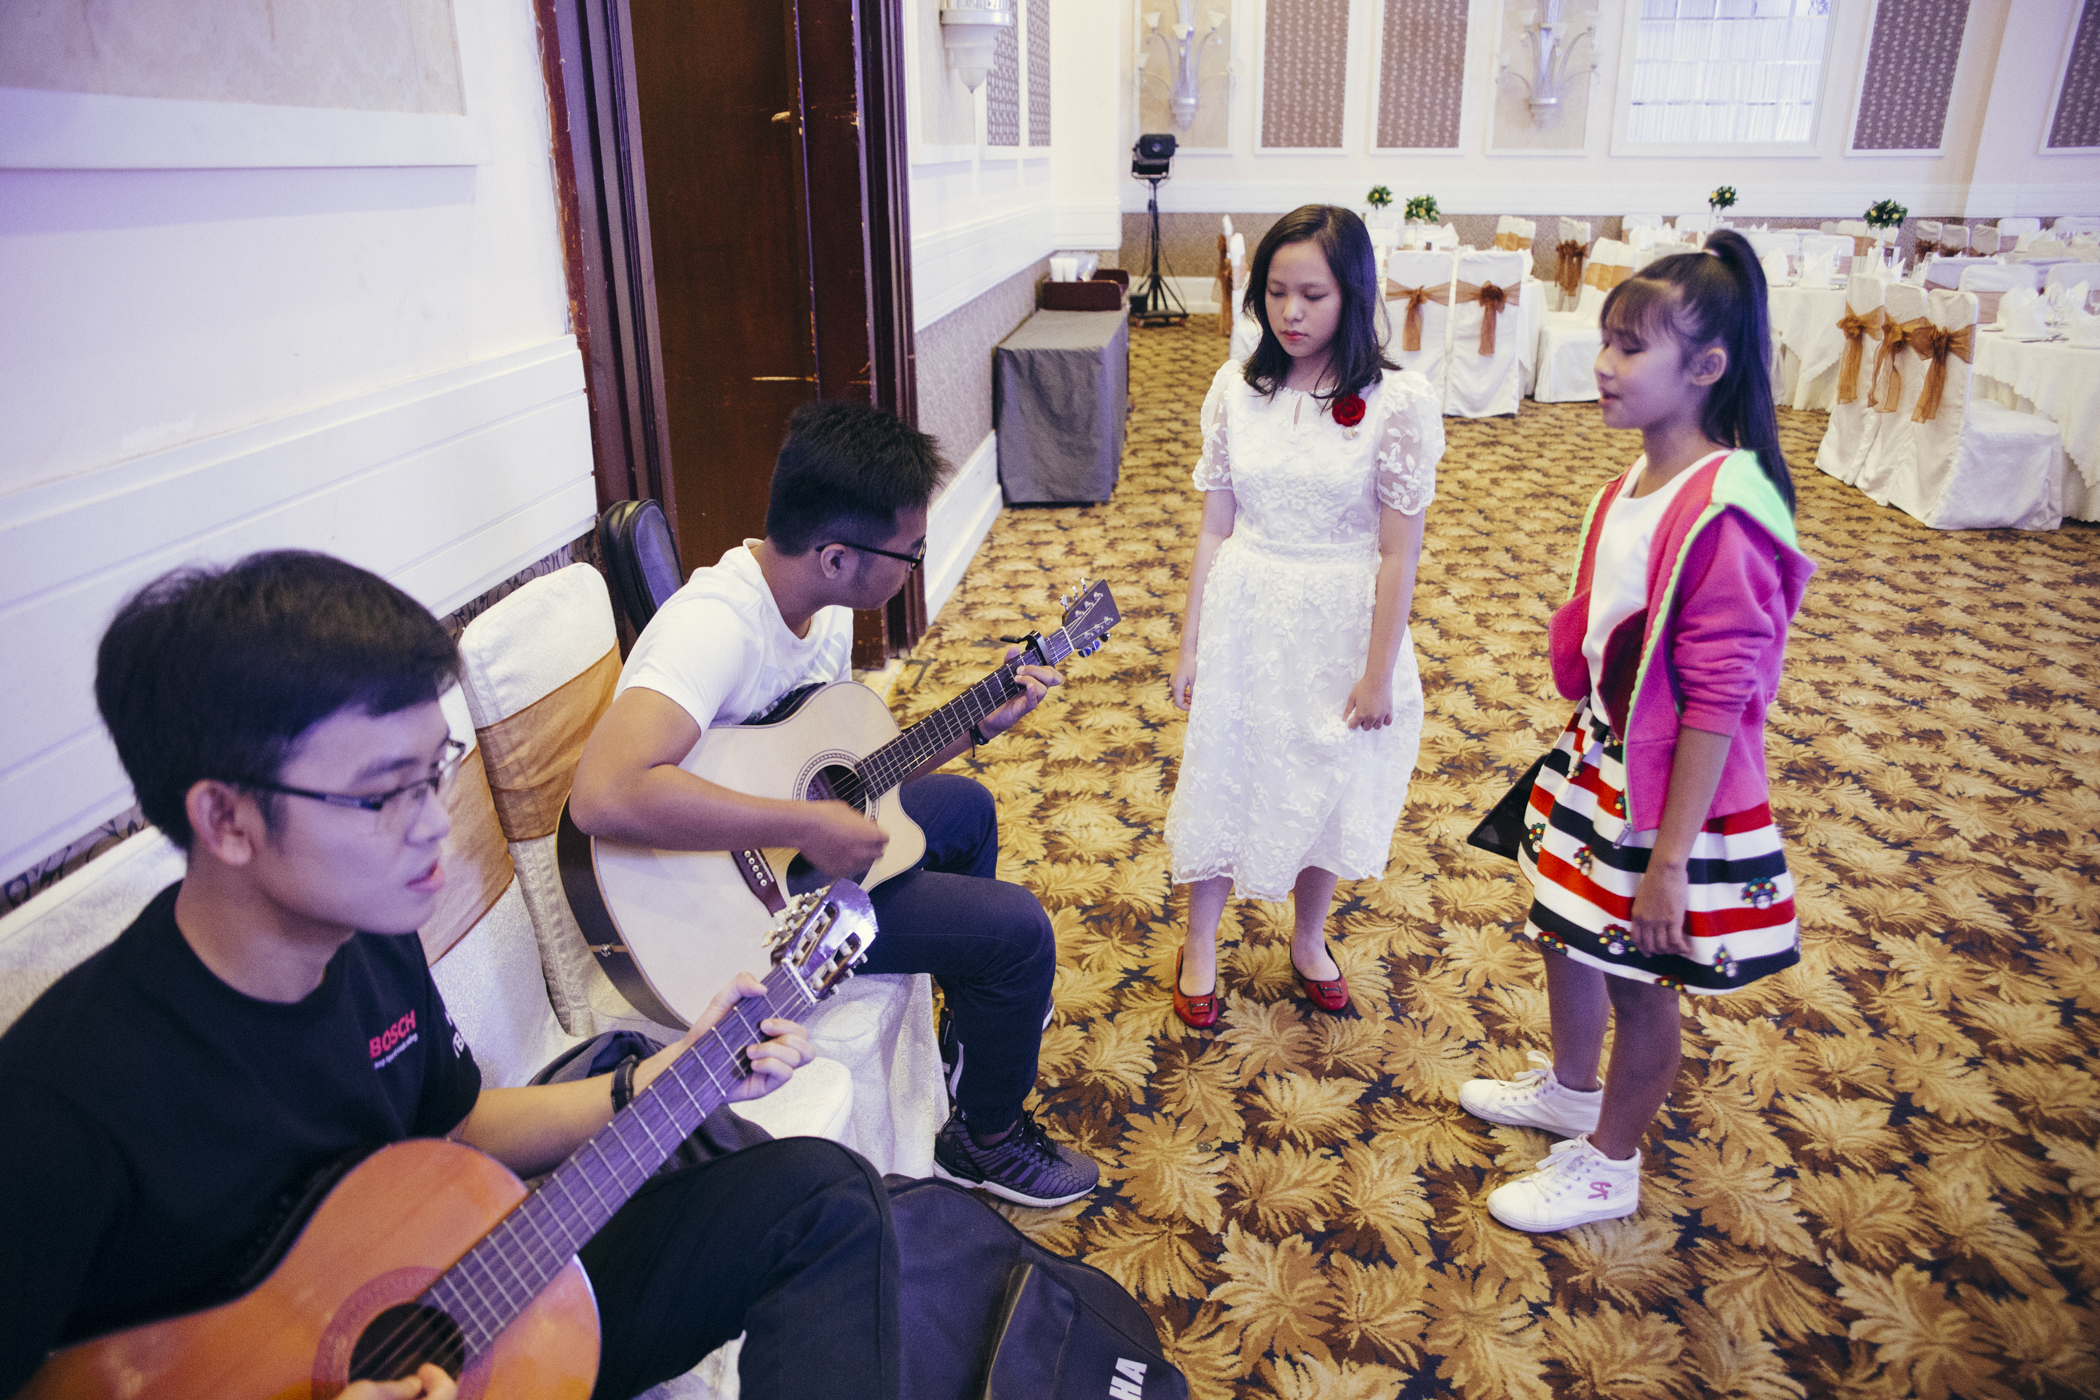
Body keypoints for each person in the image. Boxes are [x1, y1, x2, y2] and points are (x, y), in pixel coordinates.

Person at [0, 552, 898, 1400]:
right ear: (227, 821)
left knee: (826, 1199)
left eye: (433, 772)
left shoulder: (371, 937)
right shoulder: (60, 1105)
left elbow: (456, 1126)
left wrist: (663, 1077)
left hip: (452, 1300)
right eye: (383, 793)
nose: (434, 825)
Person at [568, 400, 1099, 1208]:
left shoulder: (821, 607)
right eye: (910, 553)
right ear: (838, 556)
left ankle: (973, 1032)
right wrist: (803, 824)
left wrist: (973, 727)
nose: (915, 565)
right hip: (736, 913)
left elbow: (838, 770)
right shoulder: (713, 627)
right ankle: (984, 1141)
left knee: (967, 810)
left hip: (788, 860)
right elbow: (603, 794)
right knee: (1019, 934)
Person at [1458, 229, 1815, 1232]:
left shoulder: (1724, 511)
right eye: (1606, 340)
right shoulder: (1629, 484)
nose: (1604, 363)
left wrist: (1669, 862)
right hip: (1604, 756)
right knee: (1564, 930)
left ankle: (1612, 1162)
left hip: (1670, 797)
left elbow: (1717, 702)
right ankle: (1574, 1091)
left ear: (1706, 367)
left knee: (1642, 980)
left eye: (1631, 347)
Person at [1163, 204, 1444, 1028]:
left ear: (1352, 294)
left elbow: (1399, 553)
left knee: (1330, 779)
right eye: (1277, 292)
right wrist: (1190, 643)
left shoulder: (1397, 401)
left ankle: (1311, 935)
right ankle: (1201, 941)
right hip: (1248, 607)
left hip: (1341, 618)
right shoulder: (1235, 388)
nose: (1290, 313)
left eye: (1313, 295)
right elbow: (1214, 527)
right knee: (1225, 768)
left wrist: (1379, 669)